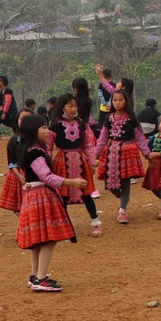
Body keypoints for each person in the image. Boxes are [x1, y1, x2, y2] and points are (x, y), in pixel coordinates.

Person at [16, 113, 84, 292]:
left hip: (33, 195)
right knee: (48, 238)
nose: (48, 131)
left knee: (39, 240)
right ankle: (41, 278)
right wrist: (72, 182)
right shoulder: (36, 152)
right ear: (33, 130)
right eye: (43, 127)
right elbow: (46, 176)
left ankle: (35, 276)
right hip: (41, 196)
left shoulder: (29, 149)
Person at [49, 91, 102, 238]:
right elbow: (48, 146)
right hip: (62, 162)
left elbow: (87, 144)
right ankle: (65, 227)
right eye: (70, 106)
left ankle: (96, 222)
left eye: (75, 106)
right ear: (62, 107)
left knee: (86, 193)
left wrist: (91, 163)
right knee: (63, 195)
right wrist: (47, 166)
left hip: (80, 160)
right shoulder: (54, 126)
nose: (74, 109)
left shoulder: (80, 124)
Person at [94, 89, 150, 224]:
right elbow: (103, 137)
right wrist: (95, 154)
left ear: (126, 101)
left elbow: (139, 137)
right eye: (115, 100)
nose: (117, 103)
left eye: (120, 100)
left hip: (127, 152)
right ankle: (123, 199)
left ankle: (122, 210)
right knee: (109, 182)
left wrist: (147, 153)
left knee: (125, 182)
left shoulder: (131, 118)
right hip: (111, 152)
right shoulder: (109, 118)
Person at [0, 108, 32, 215]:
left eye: (28, 118)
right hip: (18, 175)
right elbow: (11, 162)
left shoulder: (37, 139)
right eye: (22, 118)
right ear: (17, 120)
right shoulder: (14, 140)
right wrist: (19, 175)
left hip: (34, 174)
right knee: (20, 206)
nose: (24, 121)